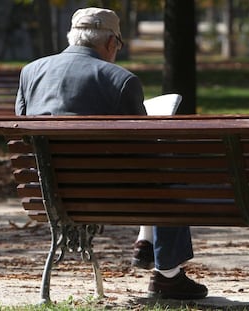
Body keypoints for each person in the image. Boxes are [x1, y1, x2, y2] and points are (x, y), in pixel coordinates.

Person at [15, 6, 208, 300]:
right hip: (111, 195)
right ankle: (167, 274)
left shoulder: (31, 72)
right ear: (110, 43)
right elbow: (144, 154)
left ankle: (146, 241)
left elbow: (24, 131)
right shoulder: (120, 80)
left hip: (47, 193)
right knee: (170, 177)